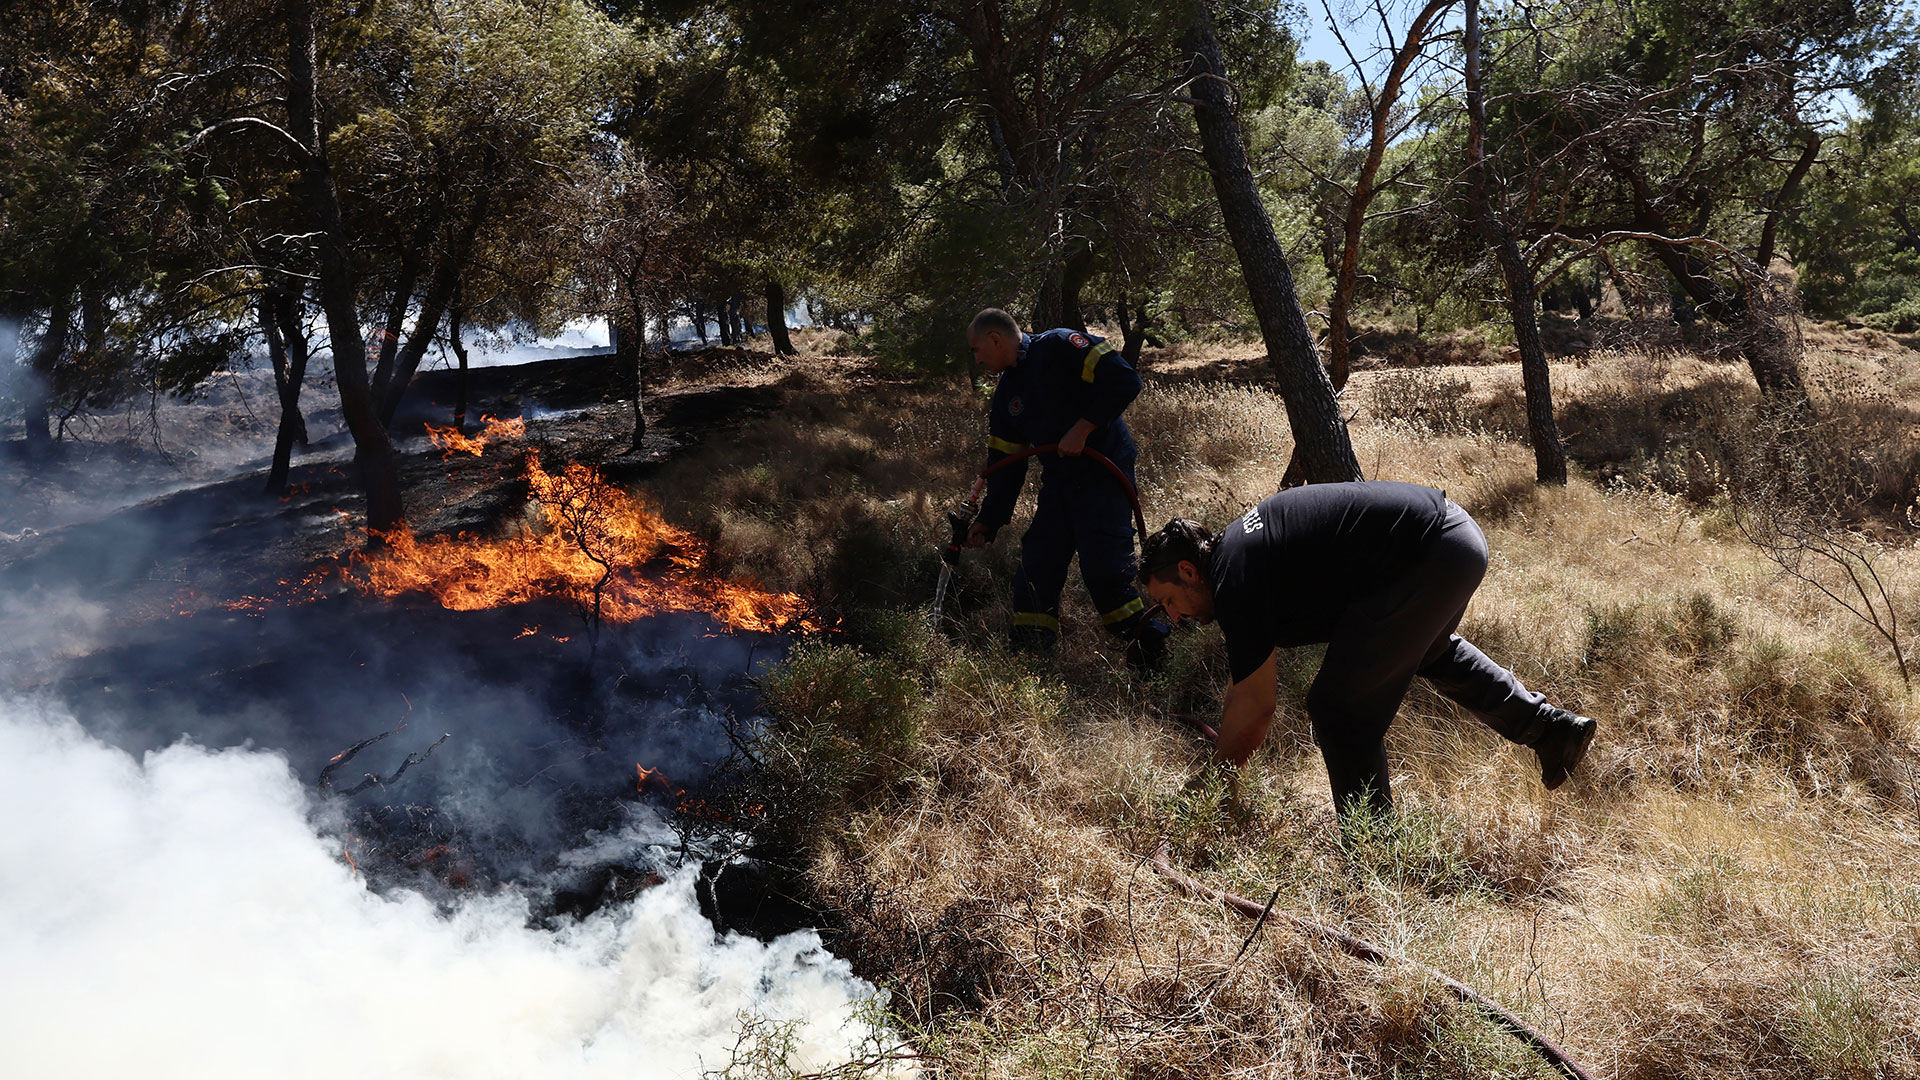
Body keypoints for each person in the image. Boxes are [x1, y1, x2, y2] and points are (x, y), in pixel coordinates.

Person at [1137, 481, 1597, 816]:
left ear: (1189, 570)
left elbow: (1257, 709)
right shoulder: (1238, 557)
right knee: (1432, 653)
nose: (1174, 618)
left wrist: (1207, 792)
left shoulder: (1236, 577)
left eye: (1168, 601)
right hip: (1452, 537)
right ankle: (1552, 731)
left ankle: (1373, 850)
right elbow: (1244, 689)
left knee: (1340, 710)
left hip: (1431, 550)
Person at [964, 308, 1170, 667]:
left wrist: (1084, 427)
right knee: (1036, 567)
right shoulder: (1006, 397)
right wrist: (990, 519)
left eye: (977, 349)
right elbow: (1006, 464)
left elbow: (1124, 380)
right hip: (1060, 484)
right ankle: (1031, 657)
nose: (977, 359)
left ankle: (1150, 657)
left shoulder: (1061, 346)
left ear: (996, 340)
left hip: (1104, 476)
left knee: (1105, 572)